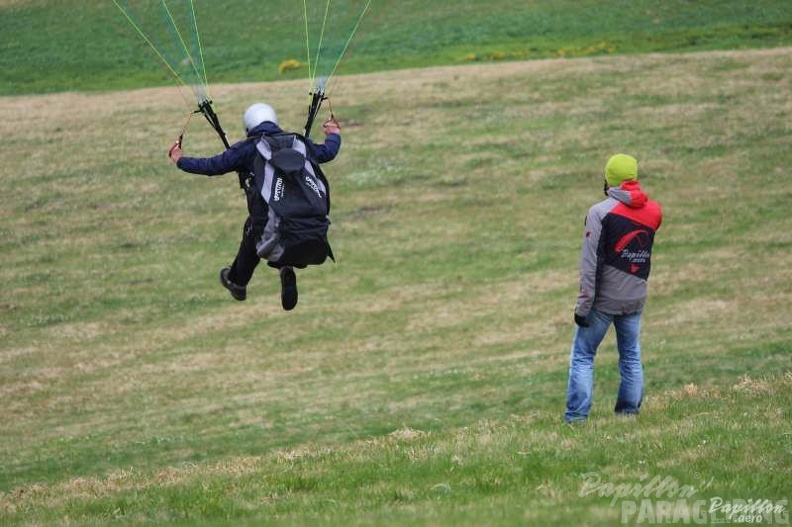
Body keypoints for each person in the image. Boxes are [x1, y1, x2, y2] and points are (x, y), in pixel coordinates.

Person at [167, 102, 341, 310]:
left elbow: (211, 166)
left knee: (254, 230)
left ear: (249, 127)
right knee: (272, 224)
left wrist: (180, 159)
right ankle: (282, 265)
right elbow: (329, 152)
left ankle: (237, 281)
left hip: (272, 220)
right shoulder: (299, 142)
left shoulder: (248, 148)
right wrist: (334, 133)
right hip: (307, 221)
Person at [564, 154, 663, 423]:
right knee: (630, 355)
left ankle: (576, 417)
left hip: (604, 301)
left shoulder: (600, 213)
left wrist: (583, 306)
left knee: (583, 356)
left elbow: (590, 263)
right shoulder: (654, 212)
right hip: (635, 298)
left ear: (609, 178)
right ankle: (628, 414)